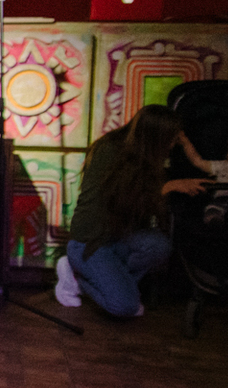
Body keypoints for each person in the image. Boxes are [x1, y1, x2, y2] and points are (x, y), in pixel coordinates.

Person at [54, 104, 211, 316]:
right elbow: (122, 200)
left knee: (158, 246)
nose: (173, 145)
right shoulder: (111, 151)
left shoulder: (141, 153)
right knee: (125, 307)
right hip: (92, 241)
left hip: (117, 237)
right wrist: (169, 187)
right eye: (171, 139)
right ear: (155, 136)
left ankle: (113, 283)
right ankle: (77, 278)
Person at [180, 129, 228, 225]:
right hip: (219, 206)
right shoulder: (223, 166)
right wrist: (185, 142)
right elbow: (198, 162)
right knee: (211, 216)